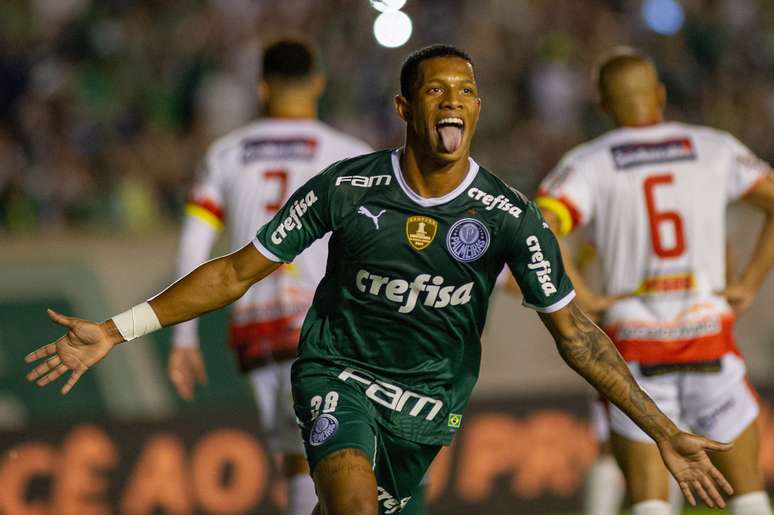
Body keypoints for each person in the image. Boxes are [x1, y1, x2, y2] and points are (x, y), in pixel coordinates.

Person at [26, 44, 735, 515]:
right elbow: (238, 270)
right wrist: (120, 328)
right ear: (406, 108)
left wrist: (662, 429)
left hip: (427, 406)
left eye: (466, 90)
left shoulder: (510, 217)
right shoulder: (346, 186)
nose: (452, 99)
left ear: (478, 109)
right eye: (435, 90)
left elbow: (577, 333)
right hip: (336, 372)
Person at [537, 47, 774, 515]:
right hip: (708, 335)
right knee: (748, 495)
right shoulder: (714, 147)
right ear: (660, 95)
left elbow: (541, 228)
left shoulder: (589, 161)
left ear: (603, 106)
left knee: (649, 500)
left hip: (636, 345)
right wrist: (748, 282)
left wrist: (586, 299)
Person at [168, 38, 372, 515]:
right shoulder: (350, 153)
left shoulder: (225, 153)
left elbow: (193, 246)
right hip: (328, 328)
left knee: (297, 460)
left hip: (257, 330)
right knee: (343, 460)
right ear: (318, 82)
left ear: (262, 87)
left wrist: (184, 339)